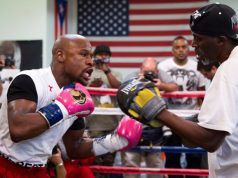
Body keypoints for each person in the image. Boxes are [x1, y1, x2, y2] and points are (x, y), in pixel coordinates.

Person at [117, 3, 238, 178]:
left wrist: (159, 113)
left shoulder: (228, 71)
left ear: (220, 40)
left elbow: (210, 140)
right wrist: (191, 124)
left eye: (199, 38)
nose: (193, 45)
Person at [0, 34, 143, 177]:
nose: (90, 62)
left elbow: (74, 148)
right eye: (84, 54)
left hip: (39, 170)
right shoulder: (30, 80)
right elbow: (18, 130)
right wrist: (62, 108)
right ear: (60, 55)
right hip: (5, 166)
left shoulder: (77, 96)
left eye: (91, 57)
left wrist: (114, 141)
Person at [158, 35, 207, 177]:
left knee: (194, 157)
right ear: (172, 50)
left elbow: (201, 93)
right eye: (177, 47)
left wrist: (203, 117)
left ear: (188, 49)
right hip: (170, 117)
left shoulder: (196, 66)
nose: (181, 50)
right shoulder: (163, 66)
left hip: (192, 117)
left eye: (184, 47)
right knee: (172, 158)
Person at [121, 57, 177, 178]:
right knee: (131, 166)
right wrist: (139, 81)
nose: (149, 74)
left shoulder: (161, 75)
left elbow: (174, 87)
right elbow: (122, 92)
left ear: (157, 71)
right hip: (133, 126)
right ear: (141, 69)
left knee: (155, 167)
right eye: (146, 71)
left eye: (151, 71)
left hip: (154, 127)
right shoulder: (133, 76)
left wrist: (161, 85)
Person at [86, 44, 123, 178]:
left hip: (111, 124)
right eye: (100, 54)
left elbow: (119, 88)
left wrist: (107, 71)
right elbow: (80, 93)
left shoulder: (115, 73)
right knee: (94, 162)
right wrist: (91, 86)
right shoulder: (88, 72)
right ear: (94, 56)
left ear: (109, 57)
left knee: (108, 164)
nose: (103, 56)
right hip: (94, 125)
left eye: (105, 54)